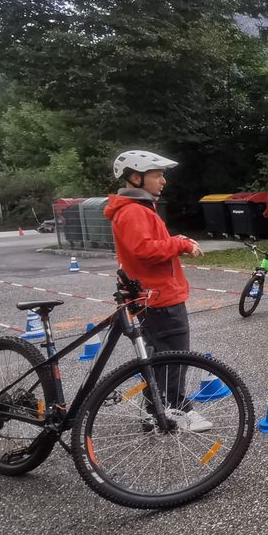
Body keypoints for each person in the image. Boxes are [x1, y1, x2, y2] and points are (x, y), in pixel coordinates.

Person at [105, 149, 210, 432]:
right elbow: (145, 250)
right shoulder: (133, 211)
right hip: (158, 296)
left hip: (157, 294)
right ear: (136, 177)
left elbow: (151, 245)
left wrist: (175, 240)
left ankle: (156, 409)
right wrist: (181, 244)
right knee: (173, 355)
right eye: (157, 175)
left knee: (160, 355)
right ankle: (175, 409)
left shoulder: (137, 209)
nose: (163, 181)